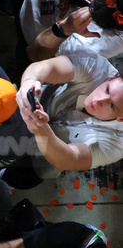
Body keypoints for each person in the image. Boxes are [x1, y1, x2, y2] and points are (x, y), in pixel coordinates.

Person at [17, 38, 123, 172]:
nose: (98, 99)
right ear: (113, 77)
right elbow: (45, 67)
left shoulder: (116, 144)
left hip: (44, 156)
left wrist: (41, 130)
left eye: (112, 105)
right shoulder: (97, 67)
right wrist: (29, 81)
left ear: (121, 118)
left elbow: (70, 159)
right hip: (26, 105)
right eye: (107, 89)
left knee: (22, 177)